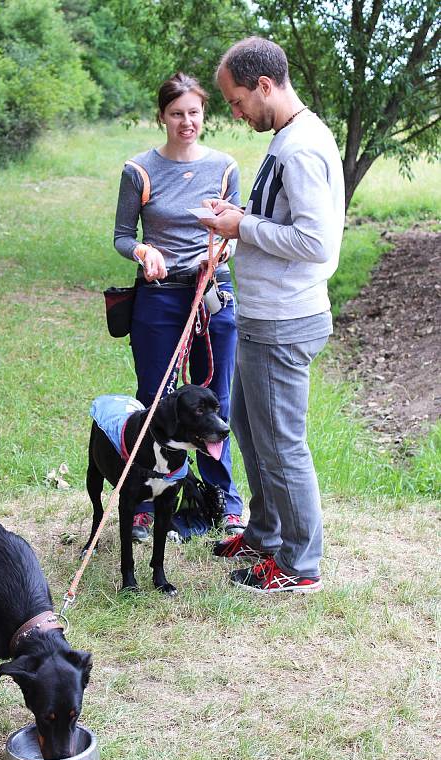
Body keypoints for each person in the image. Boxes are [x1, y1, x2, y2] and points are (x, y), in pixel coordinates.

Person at [203, 37, 345, 593]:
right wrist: (237, 219)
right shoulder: (288, 136)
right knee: (247, 426)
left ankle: (298, 565)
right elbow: (278, 220)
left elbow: (316, 242)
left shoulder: (302, 146)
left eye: (237, 102)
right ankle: (265, 533)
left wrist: (241, 227)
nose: (235, 114)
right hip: (264, 315)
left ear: (265, 86)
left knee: (282, 442)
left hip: (286, 320)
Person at [114, 72, 244, 542]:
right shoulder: (139, 170)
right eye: (176, 113)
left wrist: (222, 250)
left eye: (194, 112)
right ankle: (147, 502)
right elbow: (122, 236)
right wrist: (143, 252)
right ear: (162, 116)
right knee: (156, 402)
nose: (186, 122)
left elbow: (236, 225)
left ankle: (224, 503)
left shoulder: (226, 166)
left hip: (213, 293)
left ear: (203, 114)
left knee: (217, 399)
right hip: (159, 296)